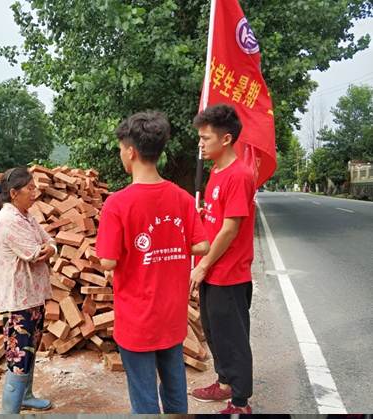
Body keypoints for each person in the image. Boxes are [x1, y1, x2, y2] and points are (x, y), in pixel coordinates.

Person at [96, 111, 210, 414]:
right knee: (175, 391)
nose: (121, 154)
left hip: (137, 320)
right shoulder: (182, 198)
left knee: (144, 400)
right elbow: (202, 245)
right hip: (172, 316)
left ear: (131, 152)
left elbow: (107, 261)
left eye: (121, 149)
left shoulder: (117, 204)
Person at [189, 104, 256, 414]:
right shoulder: (216, 172)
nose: (200, 144)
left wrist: (203, 265)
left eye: (205, 138)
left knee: (233, 339)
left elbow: (231, 229)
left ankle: (240, 402)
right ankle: (225, 382)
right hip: (214, 271)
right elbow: (220, 217)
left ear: (226, 139)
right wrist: (205, 215)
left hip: (229, 274)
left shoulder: (239, 175)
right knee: (215, 333)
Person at [0, 167, 57, 413]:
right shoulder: (9, 220)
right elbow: (35, 253)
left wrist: (50, 247)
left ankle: (25, 397)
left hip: (32, 297)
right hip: (18, 303)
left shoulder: (26, 216)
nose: (35, 193)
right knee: (18, 357)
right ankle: (10, 411)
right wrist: (47, 249)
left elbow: (50, 242)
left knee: (29, 351)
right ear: (14, 193)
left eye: (35, 187)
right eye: (30, 188)